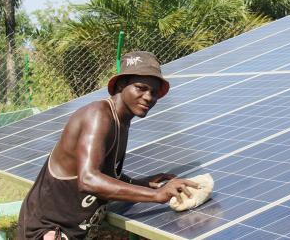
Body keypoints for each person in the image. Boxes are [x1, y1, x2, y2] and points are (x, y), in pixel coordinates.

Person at [18, 51, 199, 240]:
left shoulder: (121, 120)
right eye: (140, 88)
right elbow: (88, 180)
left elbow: (106, 174)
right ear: (121, 84)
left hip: (72, 230)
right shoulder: (99, 115)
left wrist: (145, 183)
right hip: (48, 230)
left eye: (153, 92)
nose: (148, 97)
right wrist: (156, 195)